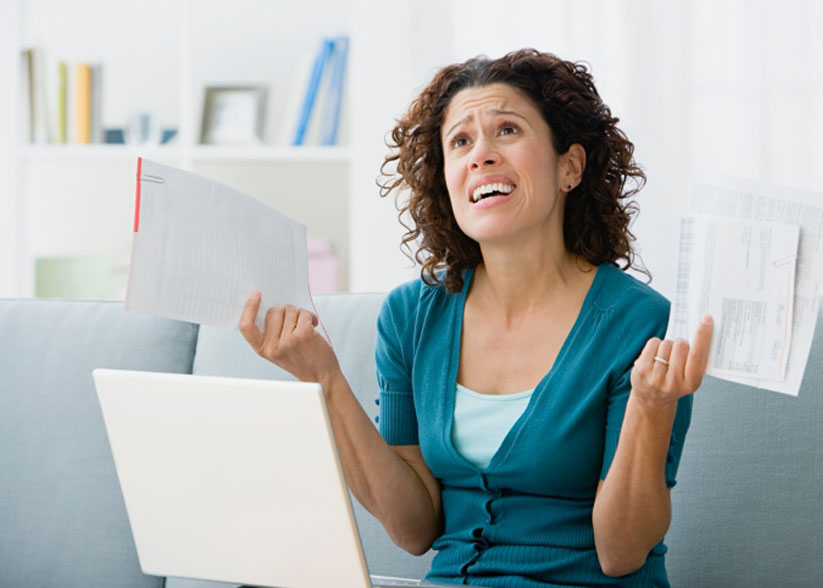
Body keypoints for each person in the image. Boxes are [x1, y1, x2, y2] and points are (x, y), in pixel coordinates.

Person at [239, 48, 713, 588]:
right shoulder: (411, 316)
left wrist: (652, 406)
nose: (480, 154)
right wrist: (323, 380)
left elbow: (621, 552)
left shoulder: (638, 321)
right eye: (460, 141)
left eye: (507, 129)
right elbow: (414, 529)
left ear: (570, 167)